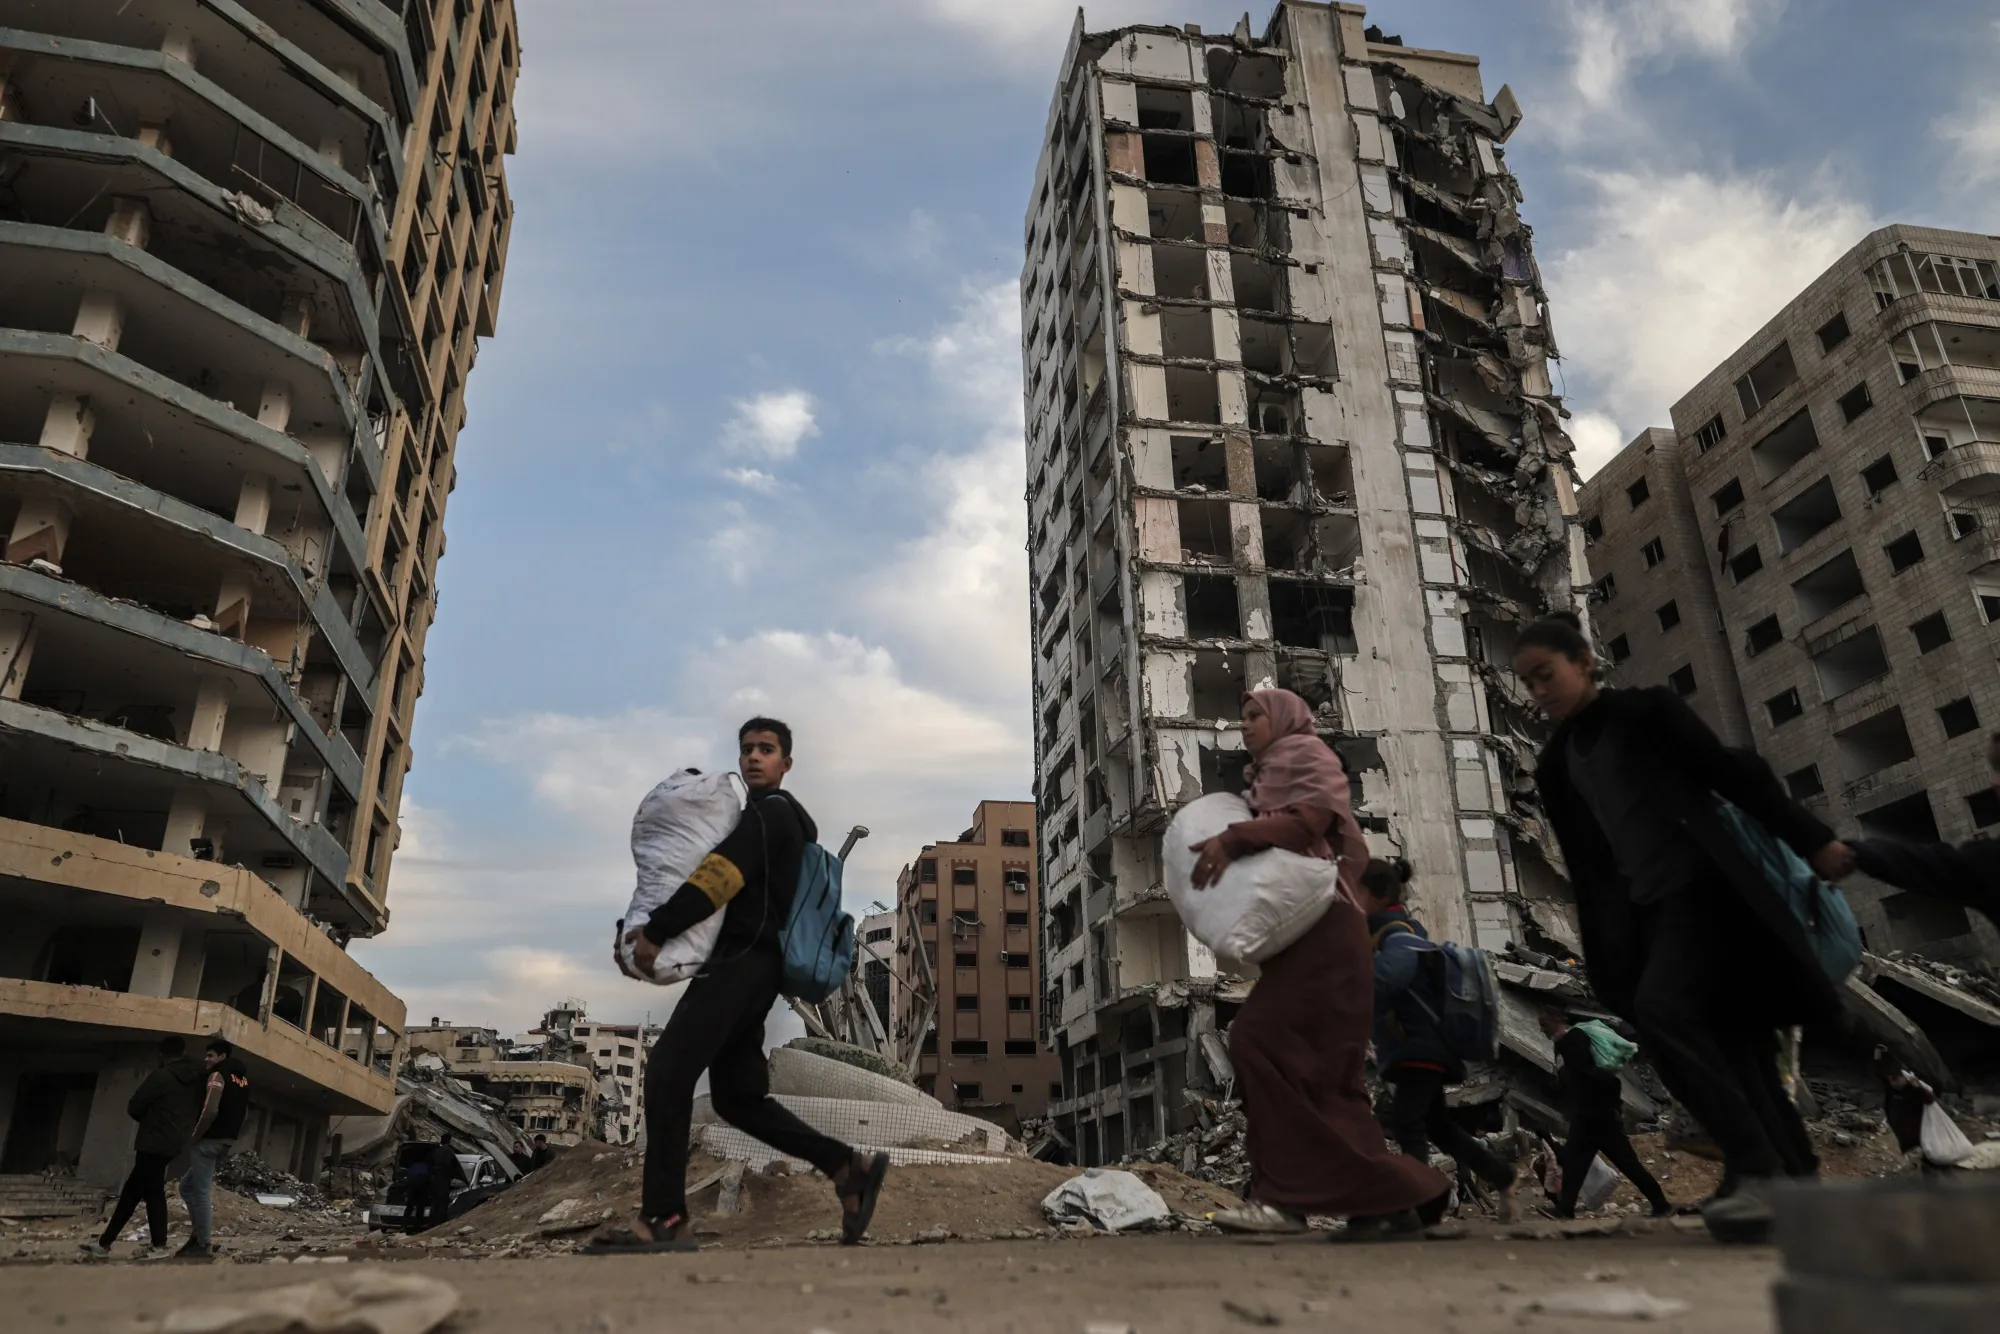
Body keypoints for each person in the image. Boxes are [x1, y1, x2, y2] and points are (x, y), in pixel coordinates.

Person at [1517, 610, 1852, 1242]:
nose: (1538, 691)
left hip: (1709, 895)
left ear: (1584, 662)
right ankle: (1794, 1178)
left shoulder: (1644, 713)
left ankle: (1757, 1167)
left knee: (1666, 1010)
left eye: (1545, 675)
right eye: (1528, 683)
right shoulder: (1557, 763)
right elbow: (1588, 869)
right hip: (1645, 915)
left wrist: (1813, 840)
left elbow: (1733, 773)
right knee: (1735, 1043)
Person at [596, 717, 888, 1253]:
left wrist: (657, 932)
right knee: (737, 1097)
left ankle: (663, 1218)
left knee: (666, 1073)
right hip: (759, 970)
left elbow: (720, 875)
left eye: (767, 749)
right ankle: (848, 1167)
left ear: (786, 764)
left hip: (740, 964)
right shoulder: (767, 817)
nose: (754, 757)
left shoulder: (772, 816)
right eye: (747, 749)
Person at [1186, 690, 1451, 1239]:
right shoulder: (1269, 776)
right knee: (1330, 1075)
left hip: (1328, 928)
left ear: (1284, 718)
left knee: (1257, 1039)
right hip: (1311, 933)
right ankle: (1388, 1201)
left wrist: (1234, 839)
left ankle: (1283, 1202)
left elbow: (1307, 824)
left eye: (1256, 715)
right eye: (1242, 717)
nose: (1246, 726)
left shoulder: (1306, 756)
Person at [1357, 857, 1518, 1220]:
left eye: (1358, 893)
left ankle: (1420, 1205)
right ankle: (1501, 1173)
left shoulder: (1398, 936)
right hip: (1417, 1048)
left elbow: (1383, 981)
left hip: (1420, 1049)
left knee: (1406, 1121)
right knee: (1438, 1127)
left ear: (1379, 896)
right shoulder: (1393, 934)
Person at [1839, 734, 2000, 928]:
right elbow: (1924, 863)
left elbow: (1921, 865)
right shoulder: (1988, 862)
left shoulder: (1989, 862)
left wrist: (1852, 851)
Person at [1539, 1010, 1672, 1218]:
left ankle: (1661, 1204)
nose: (1542, 1030)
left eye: (1545, 1024)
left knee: (1625, 1163)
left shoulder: (1572, 1041)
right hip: (1590, 1116)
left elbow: (1591, 1076)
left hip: (1596, 1116)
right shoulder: (1569, 1042)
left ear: (1558, 1020)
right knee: (1577, 1164)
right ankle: (1565, 1210)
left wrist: (1609, 1105)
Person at [85, 1036, 205, 1257]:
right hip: (174, 1142)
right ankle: (105, 1243)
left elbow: (134, 1106)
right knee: (133, 1191)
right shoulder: (196, 1079)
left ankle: (158, 1245)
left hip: (152, 1141)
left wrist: (152, 1120)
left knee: (152, 1192)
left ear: (162, 1055)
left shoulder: (162, 1076)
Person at [176, 1038, 250, 1259]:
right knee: (186, 1187)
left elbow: (210, 1110)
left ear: (222, 1057)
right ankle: (197, 1236)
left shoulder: (217, 1076)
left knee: (201, 1191)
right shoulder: (243, 1081)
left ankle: (204, 1244)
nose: (206, 1059)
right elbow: (244, 1114)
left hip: (208, 1141)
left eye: (210, 1055)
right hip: (225, 1141)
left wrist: (195, 1136)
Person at [1872, 1044, 1935, 1160]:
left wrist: (1918, 1086)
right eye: (1891, 1080)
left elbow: (1930, 1099)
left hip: (1915, 1134)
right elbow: (1879, 1071)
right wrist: (1878, 1052)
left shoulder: (1914, 1088)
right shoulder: (1891, 1086)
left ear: (1905, 1078)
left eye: (1896, 1080)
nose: (1893, 1084)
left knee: (1917, 1158)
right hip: (1898, 1131)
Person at [405, 1132, 466, 1234]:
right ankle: (440, 1223)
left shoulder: (435, 1151)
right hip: (443, 1179)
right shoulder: (449, 1151)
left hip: (434, 1179)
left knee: (435, 1201)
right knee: (443, 1201)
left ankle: (431, 1223)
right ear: (449, 1141)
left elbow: (429, 1164)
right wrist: (461, 1178)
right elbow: (453, 1166)